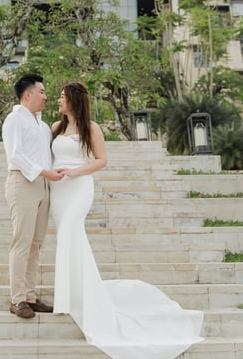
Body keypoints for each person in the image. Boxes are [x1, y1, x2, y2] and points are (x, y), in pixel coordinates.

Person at [49, 82, 204, 359]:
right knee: (67, 239)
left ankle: (71, 298)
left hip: (78, 188)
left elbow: (101, 160)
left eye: (62, 97)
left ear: (73, 100)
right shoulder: (55, 128)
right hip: (58, 192)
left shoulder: (91, 128)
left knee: (71, 234)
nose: (58, 100)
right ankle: (70, 294)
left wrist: (75, 172)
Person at [1, 74, 62, 319]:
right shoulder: (14, 119)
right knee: (22, 242)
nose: (46, 97)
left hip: (44, 186)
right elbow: (15, 156)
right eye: (42, 92)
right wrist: (44, 172)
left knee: (36, 244)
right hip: (22, 182)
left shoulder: (43, 125)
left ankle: (30, 296)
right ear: (28, 94)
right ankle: (17, 300)